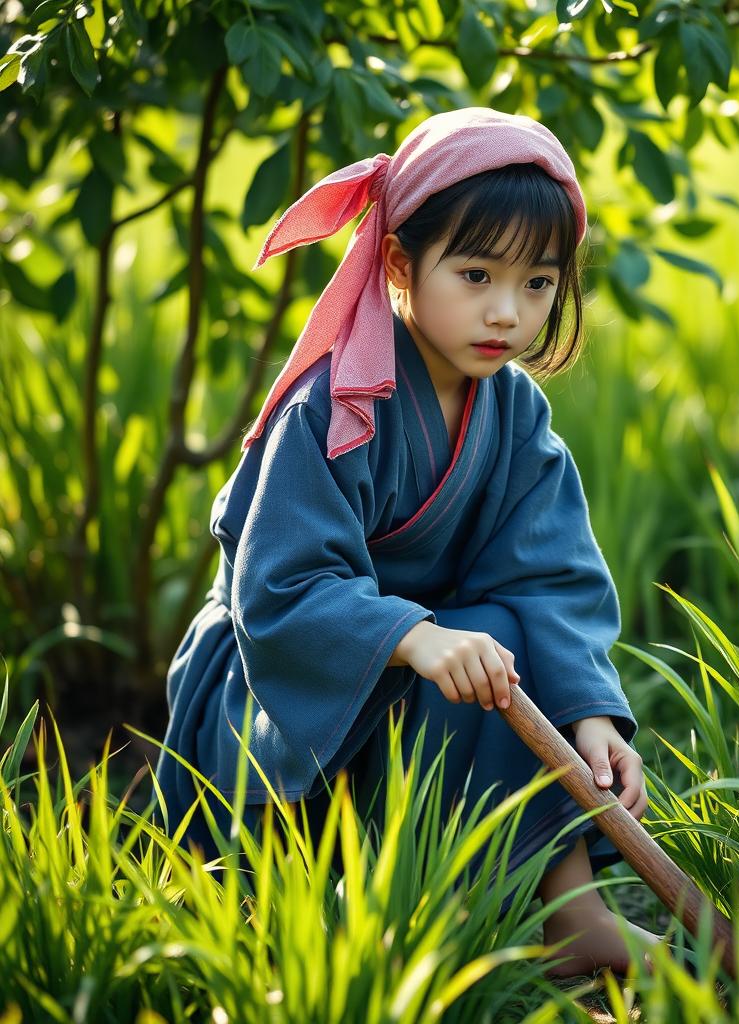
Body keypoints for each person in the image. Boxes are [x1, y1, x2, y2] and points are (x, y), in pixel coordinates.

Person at [154, 106, 663, 976]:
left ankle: (574, 909)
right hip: (288, 683)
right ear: (399, 263)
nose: (507, 313)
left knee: (514, 629)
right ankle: (398, 903)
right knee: (484, 639)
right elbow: (279, 590)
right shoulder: (333, 408)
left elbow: (553, 575)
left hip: (434, 661)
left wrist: (589, 714)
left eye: (537, 284)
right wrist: (413, 636)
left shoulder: (512, 410)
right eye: (475, 274)